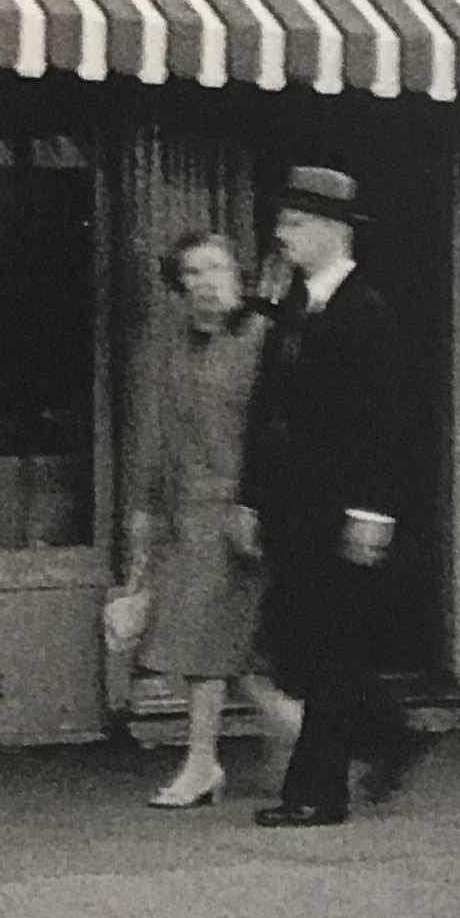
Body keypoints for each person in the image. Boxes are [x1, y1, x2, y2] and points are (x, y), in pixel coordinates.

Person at [237, 162, 416, 830]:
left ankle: (316, 792)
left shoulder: (365, 310)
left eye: (297, 222)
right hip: (293, 503)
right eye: (283, 221)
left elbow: (385, 420)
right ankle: (386, 735)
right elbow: (268, 408)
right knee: (303, 644)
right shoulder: (295, 306)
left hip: (341, 504)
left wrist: (373, 509)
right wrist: (253, 498)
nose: (283, 234)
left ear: (337, 231)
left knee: (330, 646)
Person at [124, 228, 298, 809]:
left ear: (238, 275)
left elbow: (279, 431)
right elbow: (160, 433)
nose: (206, 283)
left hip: (239, 509)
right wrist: (147, 507)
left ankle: (206, 761)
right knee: (229, 646)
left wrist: (260, 502)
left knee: (209, 641)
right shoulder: (174, 347)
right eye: (193, 273)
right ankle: (303, 739)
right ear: (179, 285)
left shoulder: (263, 339)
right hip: (187, 511)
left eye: (217, 268)